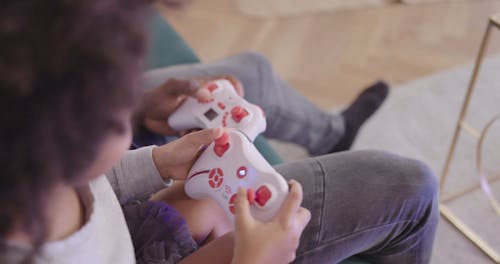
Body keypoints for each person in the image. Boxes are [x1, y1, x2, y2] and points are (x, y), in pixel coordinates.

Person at [0, 1, 439, 264]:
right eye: (122, 95)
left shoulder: (31, 175)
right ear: (60, 138)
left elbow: (91, 184)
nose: (137, 93)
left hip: (125, 230)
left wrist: (155, 161)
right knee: (411, 189)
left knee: (251, 75)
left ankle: (333, 131)